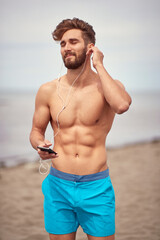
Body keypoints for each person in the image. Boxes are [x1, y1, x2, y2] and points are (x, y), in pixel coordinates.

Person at [30, 18, 132, 240]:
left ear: (90, 48)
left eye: (73, 42)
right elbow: (36, 130)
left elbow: (122, 105)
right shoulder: (47, 90)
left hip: (96, 187)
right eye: (63, 43)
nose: (66, 48)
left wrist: (100, 65)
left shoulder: (109, 88)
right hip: (58, 186)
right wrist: (39, 144)